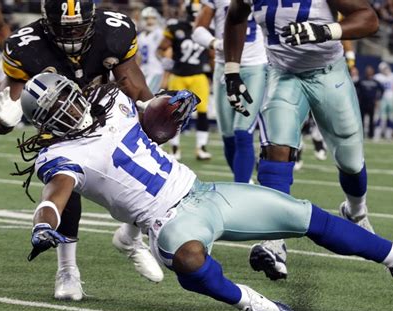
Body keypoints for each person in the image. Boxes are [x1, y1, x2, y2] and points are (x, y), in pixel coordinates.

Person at [21, 72, 393, 311]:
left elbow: (152, 119)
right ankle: (250, 302)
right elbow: (54, 195)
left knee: (307, 216)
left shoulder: (111, 100)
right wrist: (44, 223)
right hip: (167, 222)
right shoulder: (60, 154)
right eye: (59, 109)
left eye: (69, 100)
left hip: (204, 193)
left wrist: (173, 106)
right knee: (190, 259)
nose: (71, 110)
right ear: (48, 121)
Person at [0, 0, 197, 301]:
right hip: (59, 120)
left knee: (143, 169)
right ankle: (67, 269)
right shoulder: (26, 45)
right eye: (64, 29)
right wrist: (1, 117)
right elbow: (7, 109)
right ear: (47, 22)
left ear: (92, 19)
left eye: (77, 28)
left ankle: (129, 238)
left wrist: (154, 112)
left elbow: (133, 84)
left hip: (103, 110)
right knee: (65, 185)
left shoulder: (112, 30)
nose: (71, 37)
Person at [224, 0, 378, 280]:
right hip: (283, 75)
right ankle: (273, 240)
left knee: (351, 161)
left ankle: (355, 211)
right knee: (276, 148)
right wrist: (231, 69)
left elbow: (368, 18)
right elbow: (235, 17)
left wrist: (326, 31)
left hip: (329, 74)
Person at [192, 0, 267, 182]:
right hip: (223, 66)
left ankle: (242, 188)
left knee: (243, 132)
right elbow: (198, 30)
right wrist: (215, 43)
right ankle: (245, 182)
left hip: (255, 66)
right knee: (228, 135)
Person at [158, 16, 212, 161]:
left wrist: (214, 72)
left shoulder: (208, 29)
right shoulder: (176, 28)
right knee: (174, 112)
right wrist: (167, 63)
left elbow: (213, 54)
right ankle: (174, 147)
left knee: (202, 112)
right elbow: (162, 48)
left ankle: (201, 147)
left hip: (199, 75)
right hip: (178, 75)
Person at [137, 7, 165, 94]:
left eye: (153, 18)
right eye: (147, 18)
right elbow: (139, 57)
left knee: (148, 96)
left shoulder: (159, 33)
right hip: (144, 70)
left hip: (156, 70)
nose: (150, 21)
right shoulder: (140, 36)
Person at [357, 65, 383, 139]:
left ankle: (371, 135)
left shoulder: (375, 82)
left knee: (372, 120)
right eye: (368, 71)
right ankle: (361, 135)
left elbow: (382, 89)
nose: (369, 72)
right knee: (361, 120)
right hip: (363, 103)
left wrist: (378, 99)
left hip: (371, 103)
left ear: (373, 72)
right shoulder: (361, 80)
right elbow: (355, 87)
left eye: (370, 71)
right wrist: (357, 97)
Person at [374, 62, 393, 140]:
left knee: (391, 117)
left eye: (386, 68)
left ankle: (388, 134)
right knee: (380, 116)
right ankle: (377, 134)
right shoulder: (377, 77)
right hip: (382, 99)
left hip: (391, 99)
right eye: (383, 69)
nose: (386, 70)